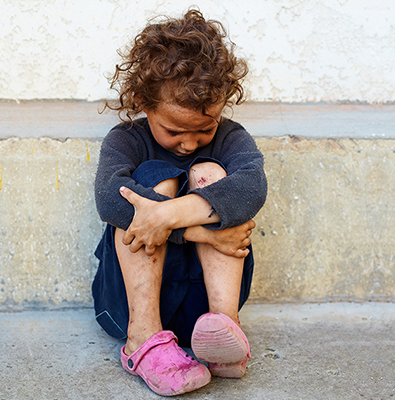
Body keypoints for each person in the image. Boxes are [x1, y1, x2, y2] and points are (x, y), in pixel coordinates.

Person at [91, 9, 267, 396]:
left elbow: (252, 188)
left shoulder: (231, 138)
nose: (188, 143)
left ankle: (226, 332)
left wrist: (168, 215)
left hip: (202, 314)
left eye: (205, 128)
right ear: (143, 102)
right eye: (174, 130)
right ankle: (144, 341)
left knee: (211, 173)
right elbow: (110, 201)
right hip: (129, 306)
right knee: (156, 176)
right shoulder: (125, 140)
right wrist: (202, 233)